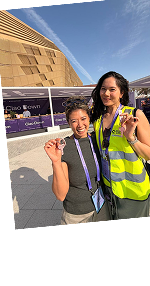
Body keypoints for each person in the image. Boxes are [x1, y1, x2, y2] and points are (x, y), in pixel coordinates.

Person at [91, 71, 150, 220]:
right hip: (109, 188)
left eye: (112, 89)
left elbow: (149, 154)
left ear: (121, 93)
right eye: (103, 89)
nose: (106, 93)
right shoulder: (98, 118)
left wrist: (130, 137)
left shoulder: (135, 115)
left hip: (133, 191)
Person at [44, 96, 110, 225]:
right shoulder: (65, 148)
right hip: (77, 215)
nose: (80, 125)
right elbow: (60, 195)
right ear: (68, 123)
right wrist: (56, 161)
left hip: (102, 207)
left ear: (89, 119)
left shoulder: (97, 140)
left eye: (83, 119)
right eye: (74, 121)